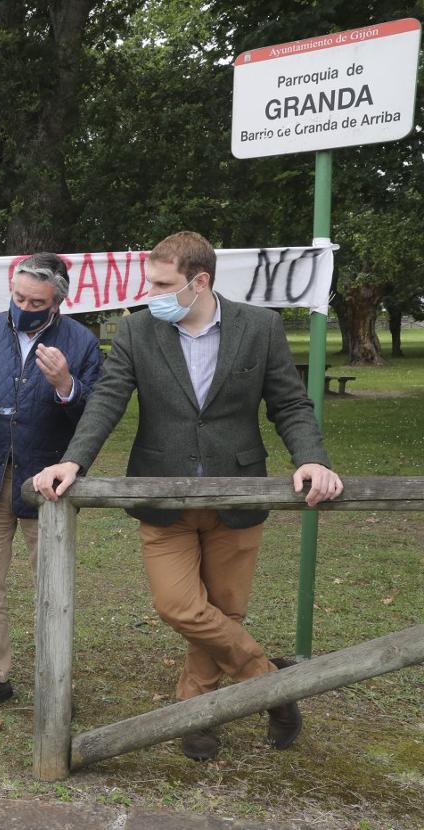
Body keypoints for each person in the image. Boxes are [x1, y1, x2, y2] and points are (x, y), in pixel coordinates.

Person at [33, 231, 343, 761]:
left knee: (225, 611)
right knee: (178, 605)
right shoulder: (136, 331)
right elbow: (108, 399)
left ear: (199, 282)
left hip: (237, 497)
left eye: (161, 284)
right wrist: (74, 460)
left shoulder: (260, 327)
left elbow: (289, 404)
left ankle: (196, 713)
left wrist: (311, 459)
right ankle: (273, 684)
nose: (149, 292)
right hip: (163, 498)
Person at [0, 253, 102, 718]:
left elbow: (97, 412)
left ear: (57, 302)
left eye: (36, 302)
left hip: (48, 483)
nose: (25, 307)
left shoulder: (81, 343)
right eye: (19, 297)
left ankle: (56, 677)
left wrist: (66, 384)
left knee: (52, 588)